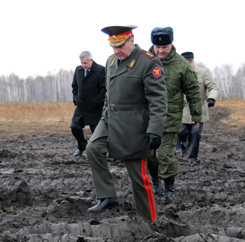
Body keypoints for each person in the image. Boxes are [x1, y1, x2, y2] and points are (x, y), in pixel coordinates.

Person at [86, 25, 168, 223]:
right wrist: (104, 116)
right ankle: (108, 196)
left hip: (134, 127)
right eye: (113, 46)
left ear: (131, 40)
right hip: (110, 120)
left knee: (139, 178)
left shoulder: (148, 63)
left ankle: (149, 221)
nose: (116, 51)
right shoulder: (111, 61)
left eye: (120, 46)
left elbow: (158, 100)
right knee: (92, 148)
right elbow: (109, 93)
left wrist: (155, 130)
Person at [147, 27, 202, 201]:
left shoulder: (181, 65)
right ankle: (155, 179)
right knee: (148, 154)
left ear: (171, 44)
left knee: (165, 154)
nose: (161, 50)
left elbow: (193, 90)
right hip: (146, 118)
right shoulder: (145, 61)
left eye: (165, 47)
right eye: (157, 47)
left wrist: (197, 116)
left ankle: (169, 187)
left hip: (170, 117)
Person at [177, 51, 220, 164]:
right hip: (182, 110)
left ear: (193, 61)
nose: (188, 64)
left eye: (190, 62)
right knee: (181, 131)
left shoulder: (202, 73)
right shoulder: (177, 74)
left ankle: (193, 157)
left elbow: (214, 87)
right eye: (185, 62)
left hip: (198, 110)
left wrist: (212, 98)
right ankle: (183, 144)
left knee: (195, 133)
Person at [70, 51, 106, 156]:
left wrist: (99, 101)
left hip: (95, 108)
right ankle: (82, 146)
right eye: (82, 63)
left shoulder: (100, 70)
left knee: (97, 133)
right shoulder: (78, 70)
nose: (83, 65)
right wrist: (76, 99)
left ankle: (99, 152)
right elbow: (74, 86)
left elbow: (104, 89)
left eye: (85, 63)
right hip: (81, 107)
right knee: (74, 127)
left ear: (91, 60)